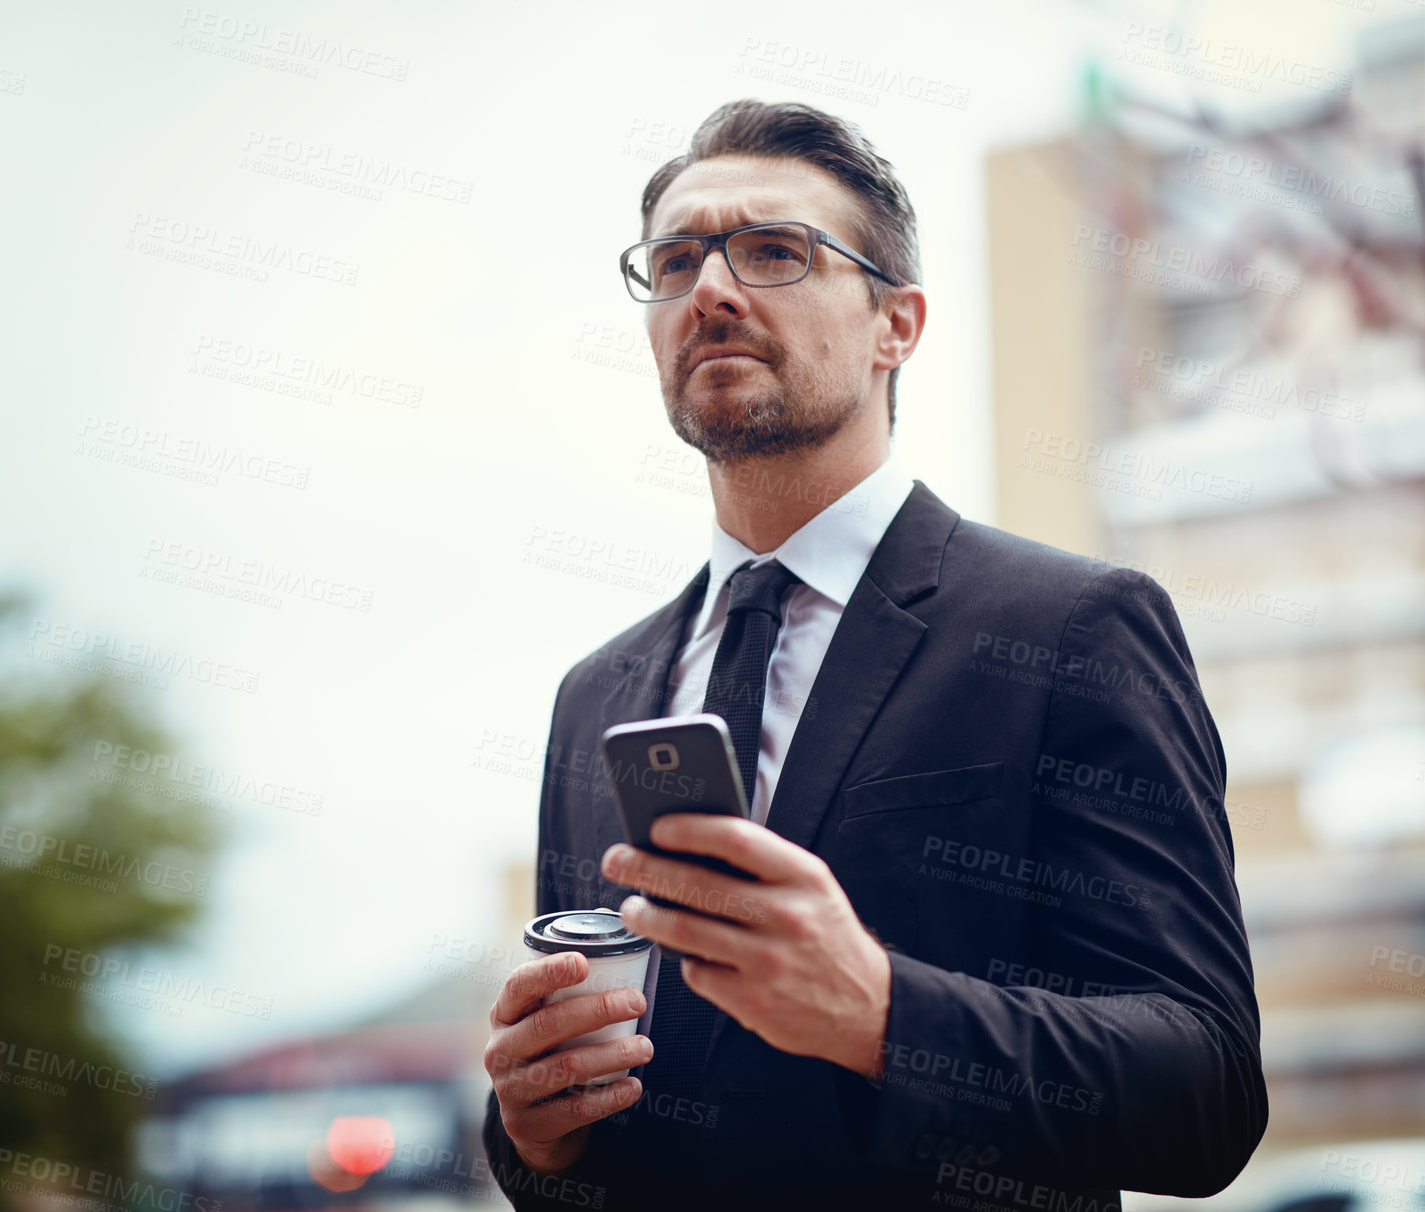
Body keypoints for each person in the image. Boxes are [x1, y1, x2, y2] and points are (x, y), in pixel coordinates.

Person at [480, 99, 1266, 1210]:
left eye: (772, 251)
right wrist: (533, 1135)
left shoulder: (1072, 626)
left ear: (896, 323)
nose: (710, 288)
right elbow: (591, 1122)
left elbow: (1206, 1093)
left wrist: (885, 1017)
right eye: (674, 259)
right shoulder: (594, 694)